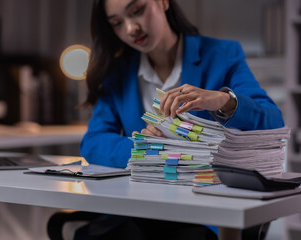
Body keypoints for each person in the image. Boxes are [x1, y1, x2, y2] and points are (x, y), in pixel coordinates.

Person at [48, 0, 284, 239]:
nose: (131, 29)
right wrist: (145, 150)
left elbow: (272, 121)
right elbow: (93, 141)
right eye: (117, 23)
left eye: (137, 10)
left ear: (162, 2)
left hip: (203, 213)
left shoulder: (222, 55)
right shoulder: (117, 73)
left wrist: (224, 100)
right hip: (138, 209)